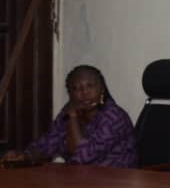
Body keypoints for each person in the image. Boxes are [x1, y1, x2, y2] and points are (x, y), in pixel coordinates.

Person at [3, 65, 136, 168]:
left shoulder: (114, 117)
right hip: (83, 182)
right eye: (76, 88)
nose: (84, 92)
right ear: (70, 94)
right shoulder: (68, 113)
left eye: (90, 85)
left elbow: (81, 156)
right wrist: (25, 156)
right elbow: (47, 144)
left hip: (116, 184)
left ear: (102, 88)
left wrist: (72, 116)